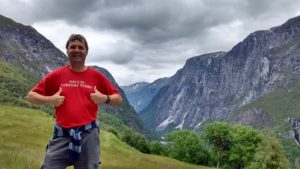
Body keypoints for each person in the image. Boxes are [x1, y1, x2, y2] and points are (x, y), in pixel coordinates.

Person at [26, 34, 122, 169]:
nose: (76, 50)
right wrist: (50, 100)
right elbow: (31, 96)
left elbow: (118, 99)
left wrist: (104, 98)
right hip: (62, 134)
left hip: (88, 135)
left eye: (81, 47)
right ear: (67, 51)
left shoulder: (96, 76)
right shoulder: (57, 75)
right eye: (73, 47)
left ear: (86, 52)